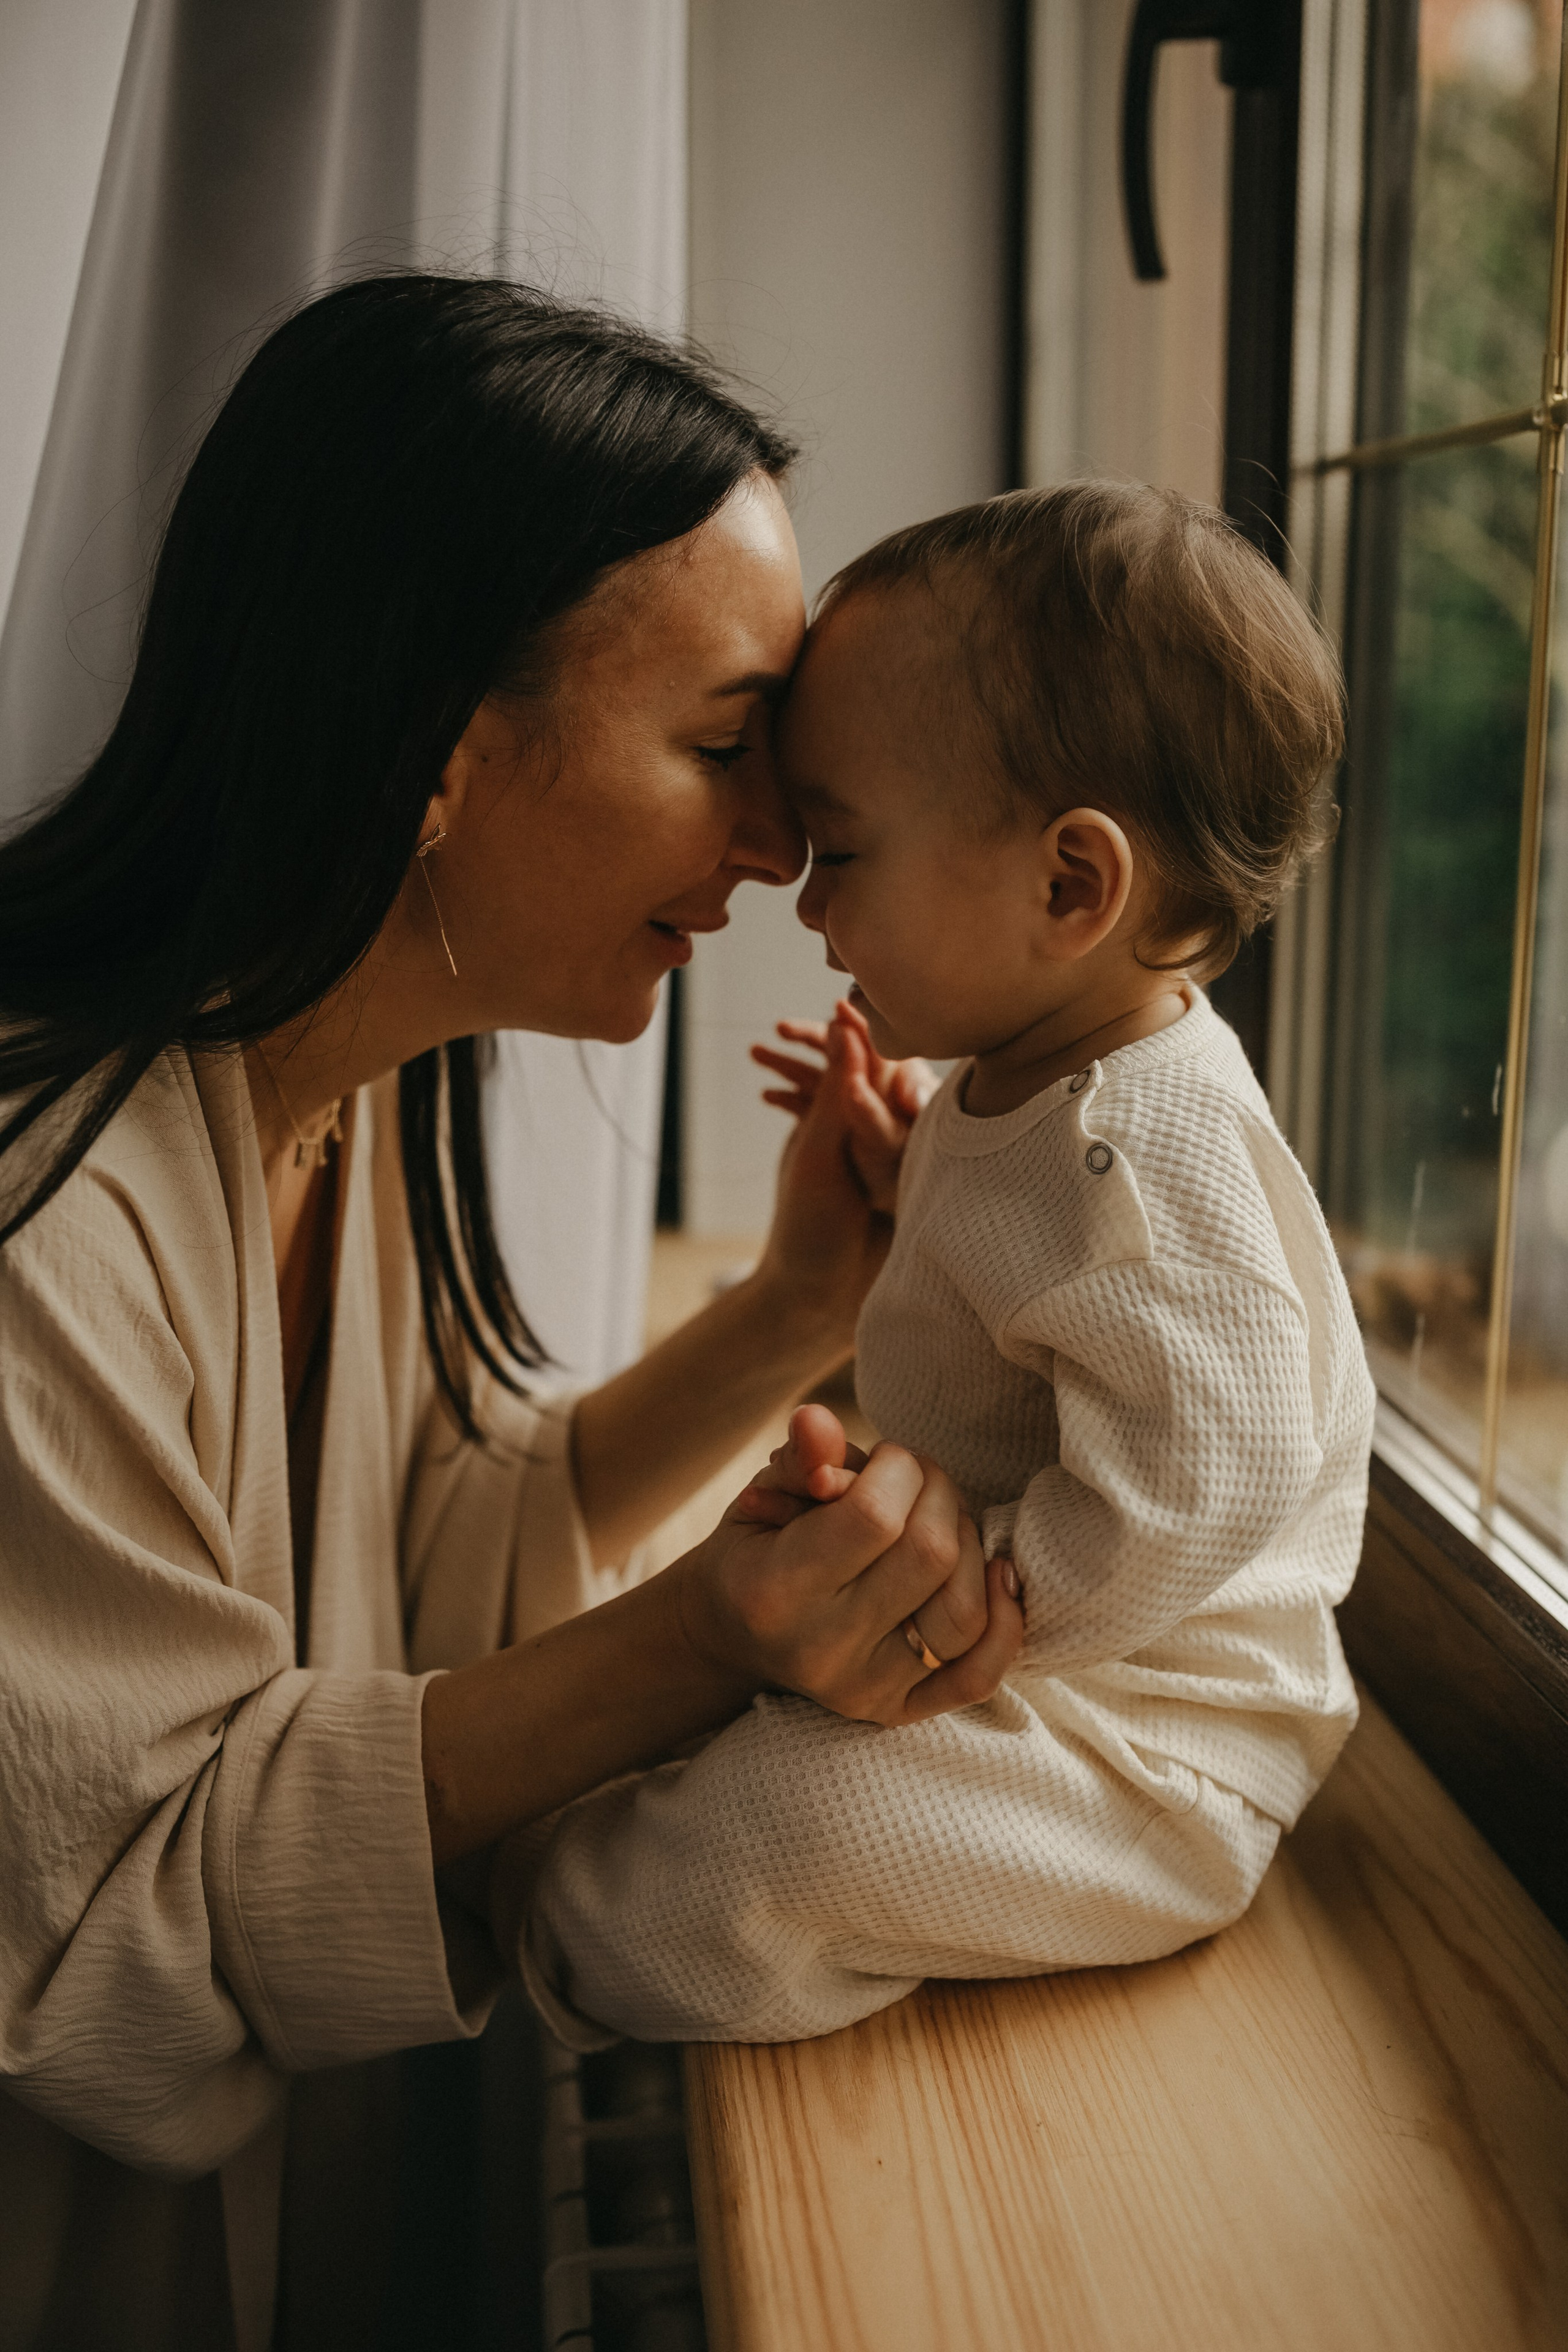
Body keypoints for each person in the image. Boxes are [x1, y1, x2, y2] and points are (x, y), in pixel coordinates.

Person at [0, 277, 1025, 2352]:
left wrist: (792, 1310)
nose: (777, 851)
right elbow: (119, 1902)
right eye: (733, 749)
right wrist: (699, 1641)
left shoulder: (328, 1095)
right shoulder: (44, 1221)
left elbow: (420, 1558)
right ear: (442, 747)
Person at [511, 481, 1377, 2048]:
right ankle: (592, 1870)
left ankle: (560, 1944)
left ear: (1068, 888)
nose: (802, 891)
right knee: (743, 1724)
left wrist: (957, 1606)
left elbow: (1207, 1466)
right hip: (1039, 1689)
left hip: (1150, 1746)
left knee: (791, 1824)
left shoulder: (1147, 1154)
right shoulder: (1045, 1072)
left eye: (840, 847)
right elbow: (1047, 1290)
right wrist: (917, 1162)